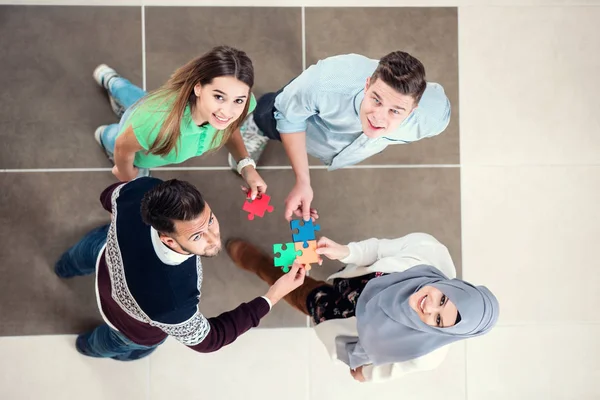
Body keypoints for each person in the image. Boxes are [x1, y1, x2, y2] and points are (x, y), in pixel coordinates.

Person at [54, 177, 306, 360]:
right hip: (128, 327)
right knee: (113, 346)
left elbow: (108, 196)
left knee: (77, 257)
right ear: (169, 240)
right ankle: (83, 347)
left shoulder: (142, 189)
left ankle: (63, 268)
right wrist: (273, 295)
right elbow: (211, 340)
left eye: (210, 220)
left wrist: (123, 229)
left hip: (103, 252)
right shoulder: (174, 300)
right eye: (197, 236)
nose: (213, 239)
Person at [226, 233, 498, 382]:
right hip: (356, 282)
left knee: (300, 292)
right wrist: (346, 252)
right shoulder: (430, 251)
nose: (428, 309)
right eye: (443, 299)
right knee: (322, 278)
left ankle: (258, 264)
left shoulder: (429, 355)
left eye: (438, 321)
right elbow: (381, 250)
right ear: (454, 286)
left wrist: (366, 373)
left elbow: (393, 368)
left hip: (338, 317)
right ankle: (263, 264)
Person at [231, 51, 451, 221]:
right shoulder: (323, 84)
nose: (379, 118)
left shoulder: (433, 119)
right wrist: (303, 180)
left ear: (412, 111)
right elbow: (289, 116)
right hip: (300, 113)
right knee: (269, 116)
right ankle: (255, 127)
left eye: (395, 111)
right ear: (367, 85)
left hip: (335, 143)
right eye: (376, 99)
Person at [93, 45, 266, 200]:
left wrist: (246, 167)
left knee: (136, 98)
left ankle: (112, 82)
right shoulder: (155, 124)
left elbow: (230, 127)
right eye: (219, 97)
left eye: (238, 100)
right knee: (117, 135)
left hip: (149, 114)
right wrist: (128, 176)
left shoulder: (242, 103)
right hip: (146, 126)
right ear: (198, 87)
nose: (228, 112)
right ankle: (103, 132)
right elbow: (122, 147)